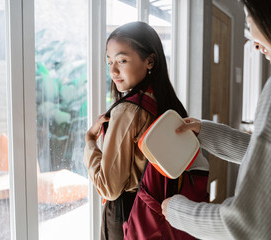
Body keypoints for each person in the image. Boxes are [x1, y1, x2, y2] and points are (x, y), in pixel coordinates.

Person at [161, 0, 271, 239]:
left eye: (250, 23)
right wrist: (205, 131)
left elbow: (250, 225)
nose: (253, 43)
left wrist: (177, 210)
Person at [83, 21, 208, 240]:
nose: (113, 70)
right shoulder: (166, 105)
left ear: (150, 61)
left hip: (128, 216)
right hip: (160, 214)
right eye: (109, 61)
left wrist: (90, 143)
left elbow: (109, 187)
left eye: (122, 60)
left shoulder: (127, 111)